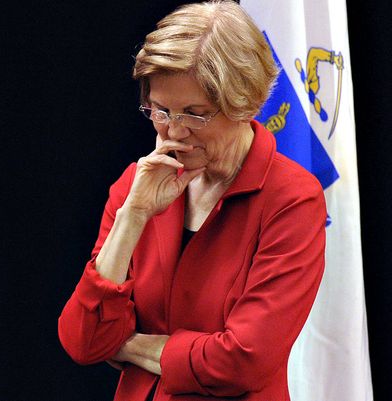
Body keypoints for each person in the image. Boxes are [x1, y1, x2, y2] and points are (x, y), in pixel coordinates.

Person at [58, 1, 326, 400]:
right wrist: (133, 215)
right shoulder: (135, 185)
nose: (174, 132)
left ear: (244, 103)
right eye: (161, 110)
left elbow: (243, 361)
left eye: (195, 114)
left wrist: (129, 346)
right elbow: (83, 339)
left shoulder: (292, 199)